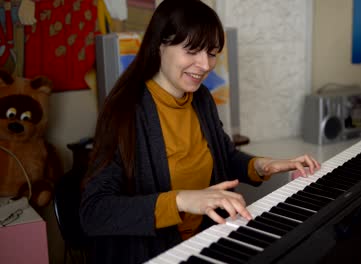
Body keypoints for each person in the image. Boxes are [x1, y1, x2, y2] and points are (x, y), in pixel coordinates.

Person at [79, 0, 320, 263]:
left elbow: (223, 157)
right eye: (192, 50)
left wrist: (264, 165)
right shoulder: (123, 111)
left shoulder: (201, 98)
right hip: (155, 253)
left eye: (212, 53)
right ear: (160, 45)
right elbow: (94, 212)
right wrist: (181, 201)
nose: (205, 65)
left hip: (205, 240)